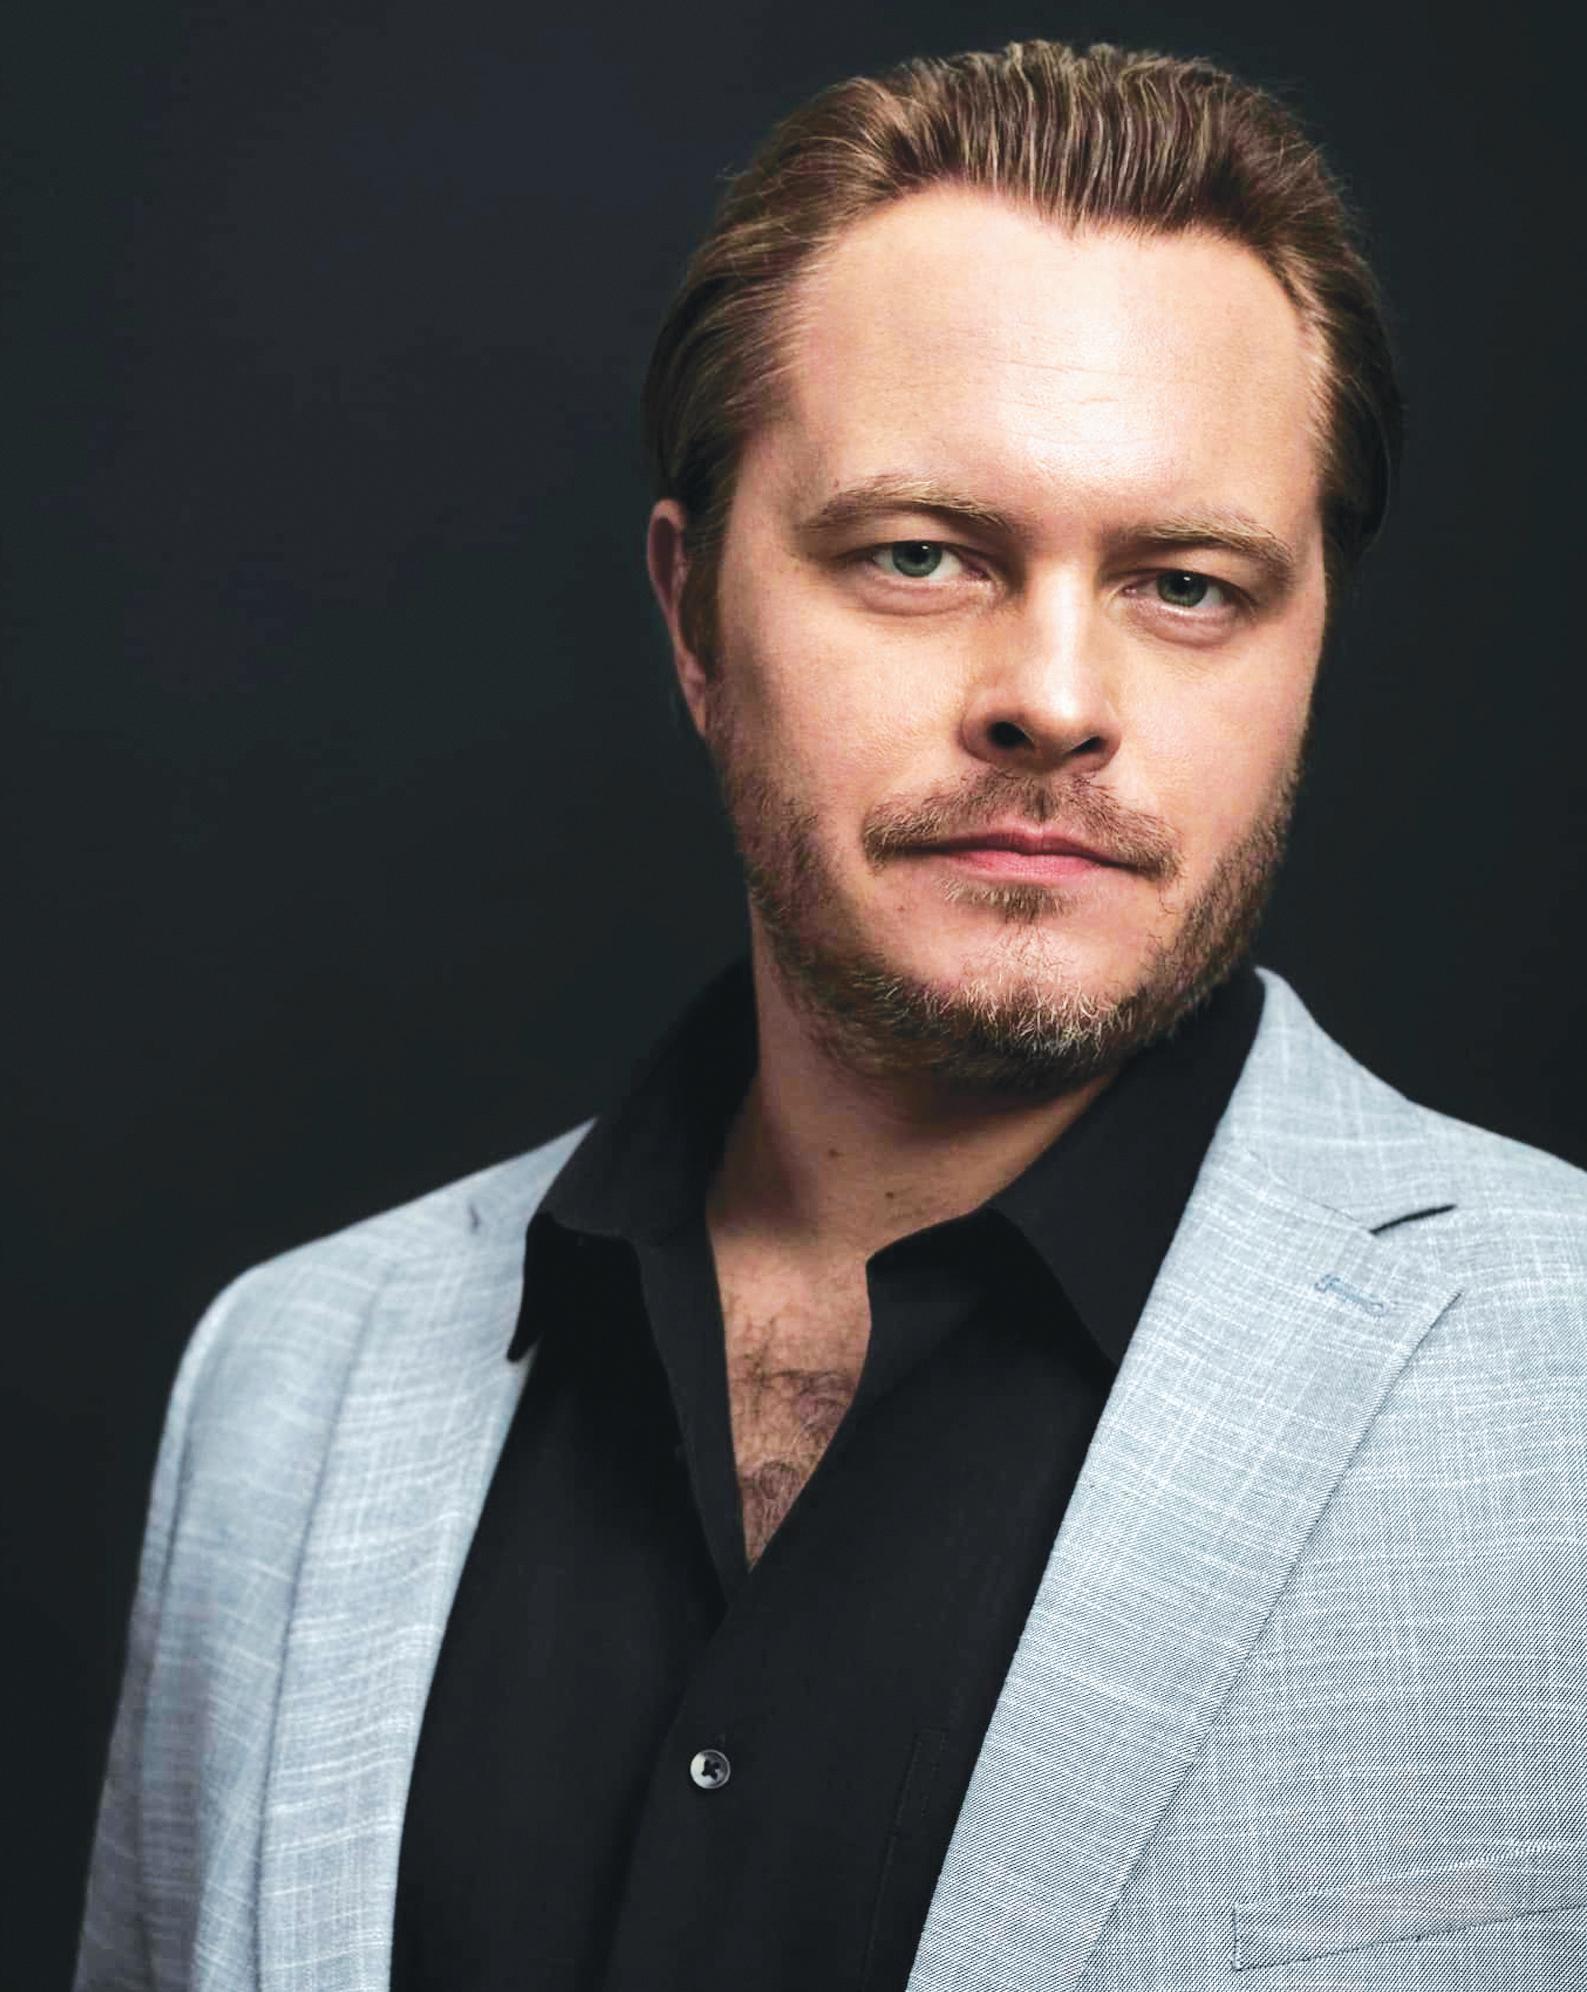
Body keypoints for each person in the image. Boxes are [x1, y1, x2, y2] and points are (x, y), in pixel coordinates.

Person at [75, 37, 1587, 1992]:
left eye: (1188, 585)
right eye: (918, 555)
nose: (1055, 699)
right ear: (693, 615)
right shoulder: (280, 1391)